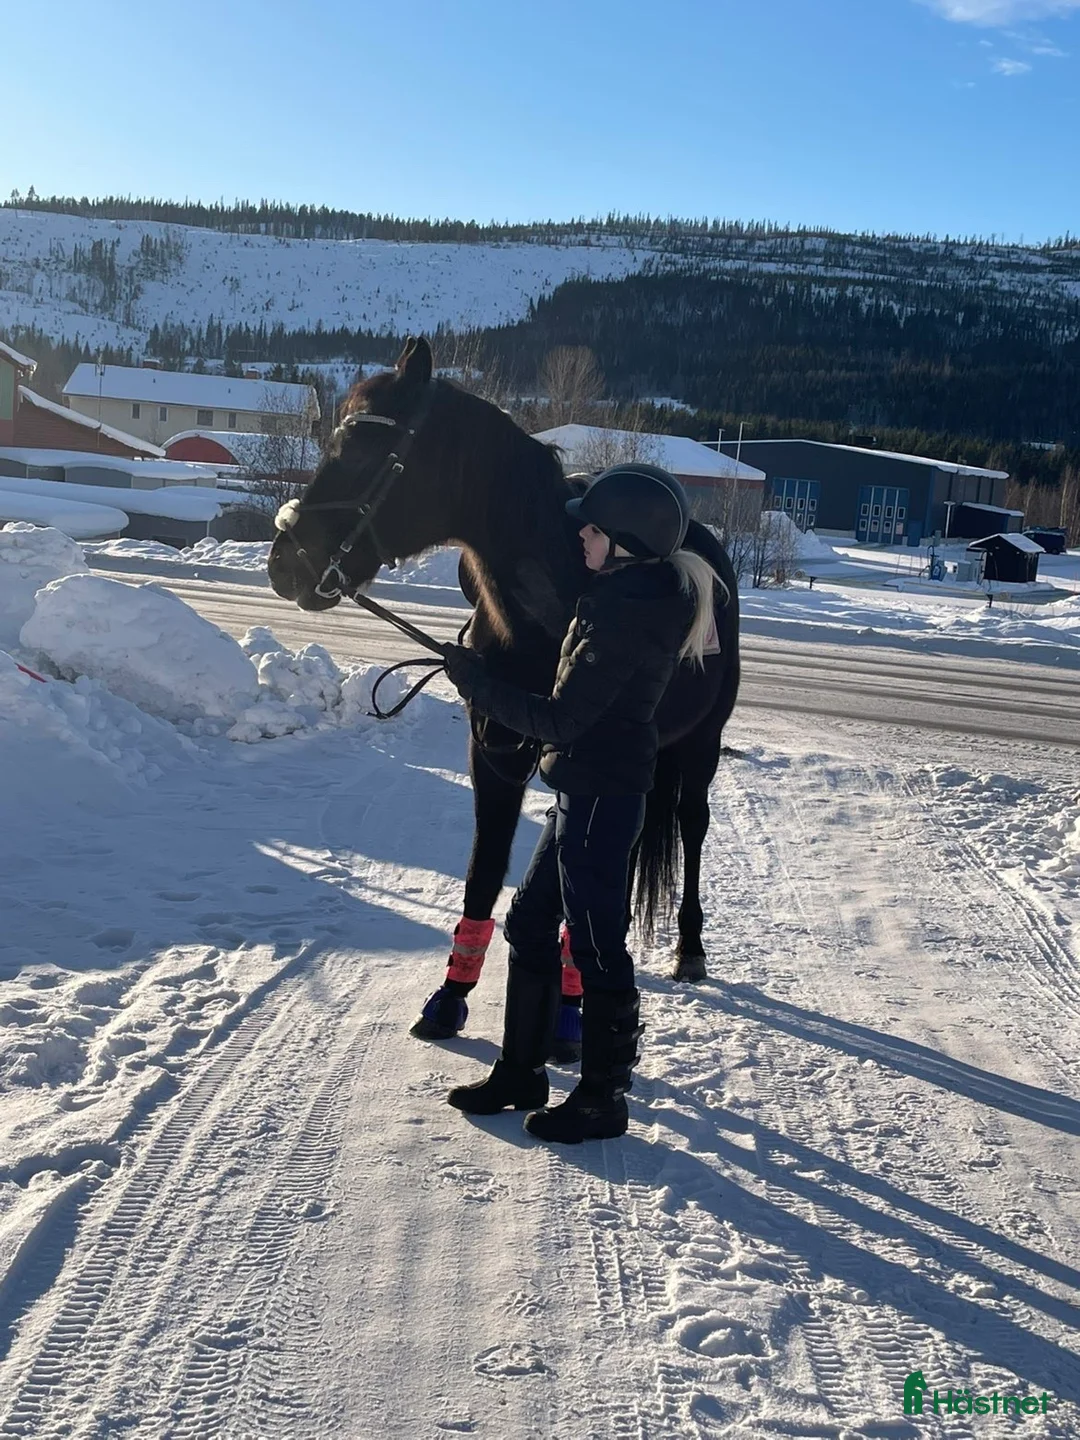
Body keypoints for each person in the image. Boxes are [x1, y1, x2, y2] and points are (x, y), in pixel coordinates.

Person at [441, 463, 720, 1144]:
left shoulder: (626, 617)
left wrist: (479, 687)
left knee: (597, 948)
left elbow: (564, 720)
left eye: (592, 530)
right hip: (582, 789)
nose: (582, 539)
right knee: (530, 923)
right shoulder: (616, 597)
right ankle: (521, 1070)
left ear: (626, 541)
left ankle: (602, 1097)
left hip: (602, 797)